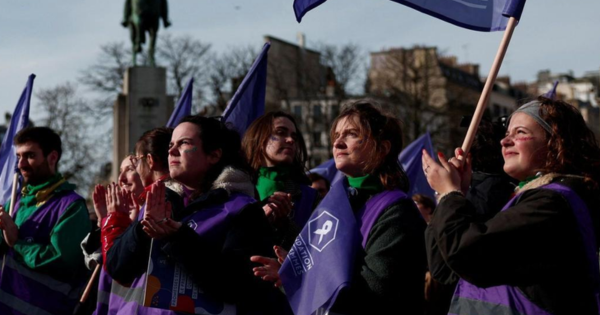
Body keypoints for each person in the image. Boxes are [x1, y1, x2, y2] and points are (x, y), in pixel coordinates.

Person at [424, 97, 600, 314]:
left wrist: (449, 194)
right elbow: (444, 268)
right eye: (507, 133)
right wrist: (456, 195)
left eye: (520, 133)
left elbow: (466, 253)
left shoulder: (552, 204)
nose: (504, 141)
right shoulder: (524, 199)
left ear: (556, 144)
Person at [254, 100, 426, 315]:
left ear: (382, 148)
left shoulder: (397, 210)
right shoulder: (333, 203)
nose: (337, 144)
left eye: (351, 134)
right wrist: (288, 270)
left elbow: (372, 295)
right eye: (336, 136)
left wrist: (296, 280)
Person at [105, 115, 279, 314]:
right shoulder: (159, 201)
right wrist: (141, 230)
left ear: (214, 155)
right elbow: (117, 268)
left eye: (184, 143)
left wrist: (179, 238)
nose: (171, 151)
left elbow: (236, 285)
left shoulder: (242, 209)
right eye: (171, 144)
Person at [0, 127, 91, 315]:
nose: (21, 164)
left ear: (52, 157)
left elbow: (62, 261)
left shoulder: (71, 207)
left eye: (30, 155)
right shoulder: (16, 200)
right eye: (18, 157)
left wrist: (17, 243)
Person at [242, 112, 319, 250]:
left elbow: (317, 249)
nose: (290, 140)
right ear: (259, 139)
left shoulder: (310, 197)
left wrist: (284, 225)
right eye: (281, 132)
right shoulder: (235, 189)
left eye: (294, 136)